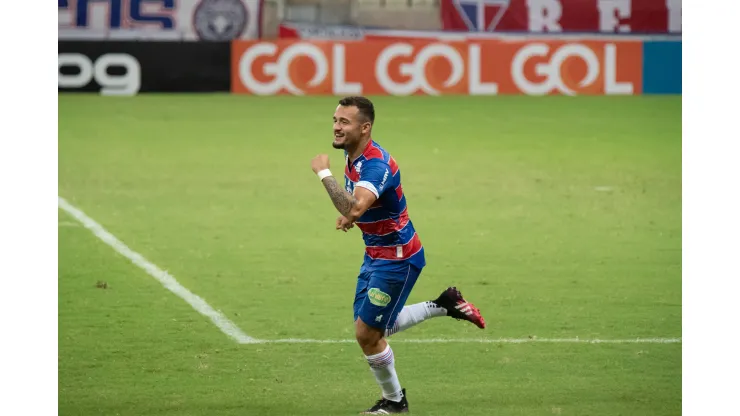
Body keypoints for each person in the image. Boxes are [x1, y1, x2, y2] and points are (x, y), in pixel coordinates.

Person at [310, 96, 486, 415]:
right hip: (376, 253)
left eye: (344, 122)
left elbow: (354, 203)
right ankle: (444, 304)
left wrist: (324, 174)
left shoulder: (376, 164)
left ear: (365, 128)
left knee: (368, 332)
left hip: (398, 258)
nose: (336, 127)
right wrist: (352, 217)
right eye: (335, 120)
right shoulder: (355, 156)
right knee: (370, 327)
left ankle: (394, 402)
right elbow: (359, 206)